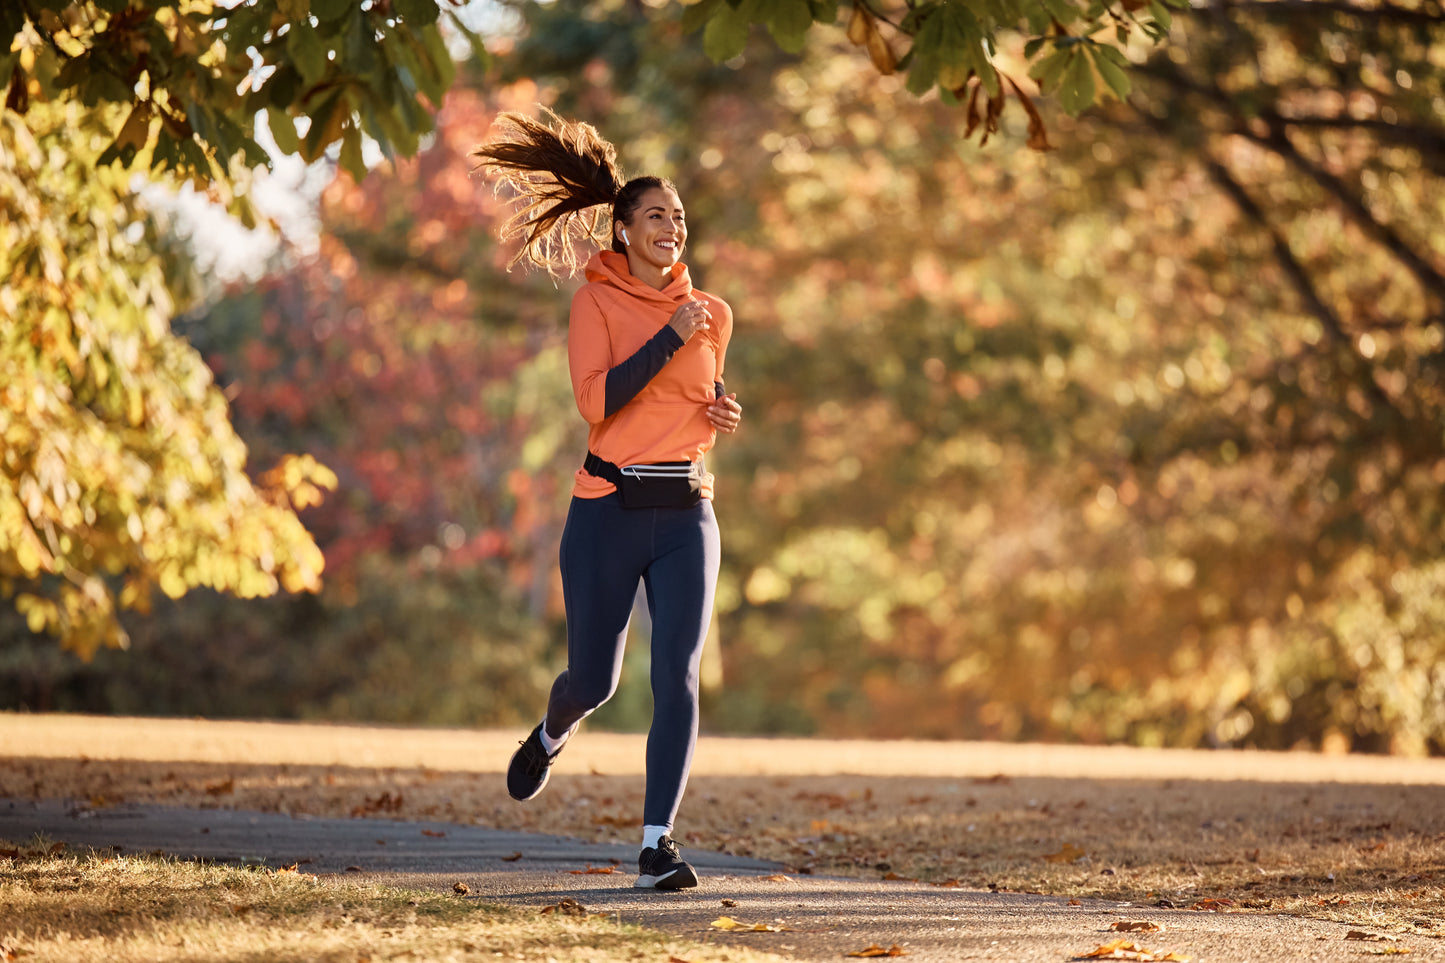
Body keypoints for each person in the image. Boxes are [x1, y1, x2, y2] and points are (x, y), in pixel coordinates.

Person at [472, 111, 742, 890]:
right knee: (595, 680)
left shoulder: (713, 313)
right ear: (622, 229)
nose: (672, 225)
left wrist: (720, 413)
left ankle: (656, 844)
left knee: (678, 675)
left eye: (680, 216)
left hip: (688, 512)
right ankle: (554, 730)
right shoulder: (594, 303)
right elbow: (599, 404)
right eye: (656, 213)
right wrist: (667, 338)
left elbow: (694, 406)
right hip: (606, 511)